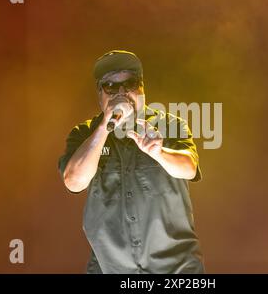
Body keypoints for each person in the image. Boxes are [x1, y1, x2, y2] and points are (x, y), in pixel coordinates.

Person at [58, 50, 204, 273]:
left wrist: (159, 153)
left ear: (142, 88)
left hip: (175, 267)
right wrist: (106, 125)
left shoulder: (169, 124)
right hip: (111, 268)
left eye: (130, 83)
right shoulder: (85, 134)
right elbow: (74, 182)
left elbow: (188, 168)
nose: (122, 92)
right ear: (100, 94)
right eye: (111, 86)